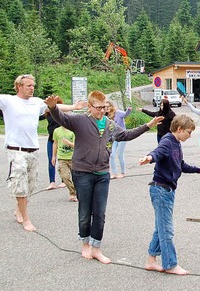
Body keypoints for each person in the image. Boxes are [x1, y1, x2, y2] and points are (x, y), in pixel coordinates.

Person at [0, 68, 82, 232]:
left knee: (30, 185)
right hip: (16, 150)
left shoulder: (36, 102)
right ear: (19, 86)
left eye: (33, 85)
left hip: (33, 150)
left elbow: (55, 107)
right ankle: (25, 218)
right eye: (28, 85)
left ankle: (18, 209)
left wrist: (74, 106)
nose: (32, 88)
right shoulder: (8, 101)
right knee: (19, 183)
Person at [46, 91, 163, 264]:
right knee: (85, 211)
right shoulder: (80, 121)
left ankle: (96, 248)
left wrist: (148, 125)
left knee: (99, 213)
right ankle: (85, 243)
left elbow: (126, 135)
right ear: (90, 106)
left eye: (105, 108)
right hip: (82, 171)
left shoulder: (109, 124)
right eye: (99, 108)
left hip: (102, 173)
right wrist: (52, 107)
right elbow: (62, 118)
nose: (103, 111)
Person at [139, 114, 200, 275]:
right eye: (189, 132)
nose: (190, 135)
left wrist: (198, 170)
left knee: (161, 228)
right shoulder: (167, 141)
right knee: (167, 230)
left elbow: (181, 165)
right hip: (161, 190)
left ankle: (151, 261)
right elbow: (157, 152)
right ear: (179, 129)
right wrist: (149, 158)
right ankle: (170, 264)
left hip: (167, 190)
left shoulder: (176, 143)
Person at [42, 97, 67, 190]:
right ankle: (52, 182)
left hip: (60, 138)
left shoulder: (61, 112)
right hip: (51, 138)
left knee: (62, 160)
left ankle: (64, 180)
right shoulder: (47, 112)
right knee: (51, 160)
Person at [106, 101, 132, 179]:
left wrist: (129, 109)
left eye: (108, 106)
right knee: (112, 154)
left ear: (111, 106)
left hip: (122, 136)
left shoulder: (118, 112)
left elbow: (125, 114)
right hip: (113, 137)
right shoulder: (106, 116)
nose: (106, 108)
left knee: (120, 154)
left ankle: (122, 172)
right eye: (105, 107)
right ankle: (114, 173)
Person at [52, 126, 77, 201]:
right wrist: (54, 156)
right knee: (64, 176)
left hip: (73, 157)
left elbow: (77, 146)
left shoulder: (73, 131)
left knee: (77, 177)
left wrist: (68, 143)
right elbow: (55, 143)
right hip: (62, 157)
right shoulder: (56, 131)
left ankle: (78, 193)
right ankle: (72, 192)